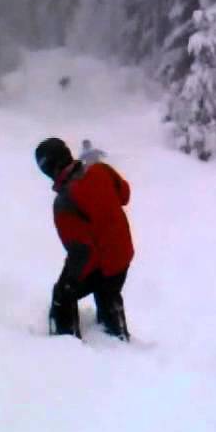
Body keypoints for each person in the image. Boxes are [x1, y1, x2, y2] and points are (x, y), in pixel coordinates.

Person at [34, 137, 134, 341]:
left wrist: (68, 283)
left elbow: (81, 252)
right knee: (108, 294)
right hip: (123, 256)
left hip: (102, 262)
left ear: (49, 169)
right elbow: (124, 194)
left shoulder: (64, 203)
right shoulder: (101, 170)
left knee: (63, 295)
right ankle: (118, 339)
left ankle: (66, 348)